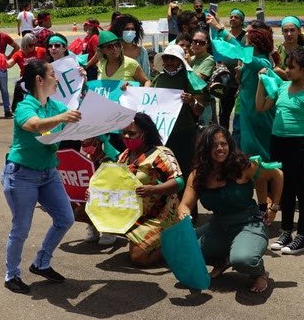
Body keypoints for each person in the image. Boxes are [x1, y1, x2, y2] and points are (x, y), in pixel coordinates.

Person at [1, 59, 82, 293]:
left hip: (49, 173)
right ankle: (11, 275)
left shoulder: (55, 106)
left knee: (65, 218)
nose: (57, 79)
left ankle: (41, 263)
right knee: (21, 228)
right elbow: (35, 125)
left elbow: (79, 115)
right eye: (53, 74)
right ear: (39, 79)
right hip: (22, 176)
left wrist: (84, 83)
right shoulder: (25, 106)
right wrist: (62, 119)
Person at [176, 124, 282, 293]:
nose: (220, 148)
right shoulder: (198, 174)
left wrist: (274, 207)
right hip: (218, 225)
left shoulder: (243, 166)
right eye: (214, 144)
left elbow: (277, 174)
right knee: (183, 249)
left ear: (230, 145)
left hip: (249, 224)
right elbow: (185, 205)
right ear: (205, 148)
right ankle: (223, 260)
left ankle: (260, 272)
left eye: (223, 143)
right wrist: (184, 213)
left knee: (243, 259)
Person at [256, 49, 304, 254]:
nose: (286, 70)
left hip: (299, 145)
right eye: (286, 66)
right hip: (278, 142)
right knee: (283, 189)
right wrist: (261, 82)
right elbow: (261, 107)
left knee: (303, 191)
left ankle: (302, 236)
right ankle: (286, 231)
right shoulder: (283, 87)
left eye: (291, 67)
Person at [117, 113, 185, 267]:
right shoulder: (124, 156)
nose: (126, 136)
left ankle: (176, 242)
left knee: (138, 258)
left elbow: (179, 182)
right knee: (82, 212)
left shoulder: (160, 153)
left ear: (145, 133)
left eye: (132, 133)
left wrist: (154, 189)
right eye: (124, 132)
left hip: (161, 214)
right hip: (135, 213)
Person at [209, 16, 275, 162]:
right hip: (246, 109)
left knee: (257, 151)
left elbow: (240, 51)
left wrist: (220, 29)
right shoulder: (252, 62)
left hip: (257, 113)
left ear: (256, 44)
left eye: (248, 41)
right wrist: (239, 77)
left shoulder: (262, 62)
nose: (246, 43)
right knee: (244, 150)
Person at [150, 45, 203, 175]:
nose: (169, 62)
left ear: (181, 61)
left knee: (184, 167)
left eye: (173, 59)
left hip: (183, 132)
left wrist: (192, 101)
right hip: (162, 133)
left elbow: (200, 110)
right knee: (164, 168)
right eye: (166, 58)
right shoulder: (158, 78)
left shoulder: (190, 78)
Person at [215, 9, 247, 130]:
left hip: (241, 82)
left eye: (236, 17)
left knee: (240, 115)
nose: (233, 19)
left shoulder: (246, 37)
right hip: (226, 82)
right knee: (224, 114)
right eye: (231, 17)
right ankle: (224, 136)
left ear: (242, 21)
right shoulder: (224, 36)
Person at [188, 29, 216, 126]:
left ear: (207, 45)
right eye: (195, 41)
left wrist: (186, 64)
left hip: (203, 107)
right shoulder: (191, 59)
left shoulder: (209, 60)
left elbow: (196, 81)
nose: (197, 44)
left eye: (202, 42)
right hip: (190, 104)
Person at [109, 13, 150, 78]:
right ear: (119, 31)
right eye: (127, 29)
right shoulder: (113, 52)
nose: (130, 32)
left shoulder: (142, 52)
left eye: (132, 29)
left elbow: (146, 75)